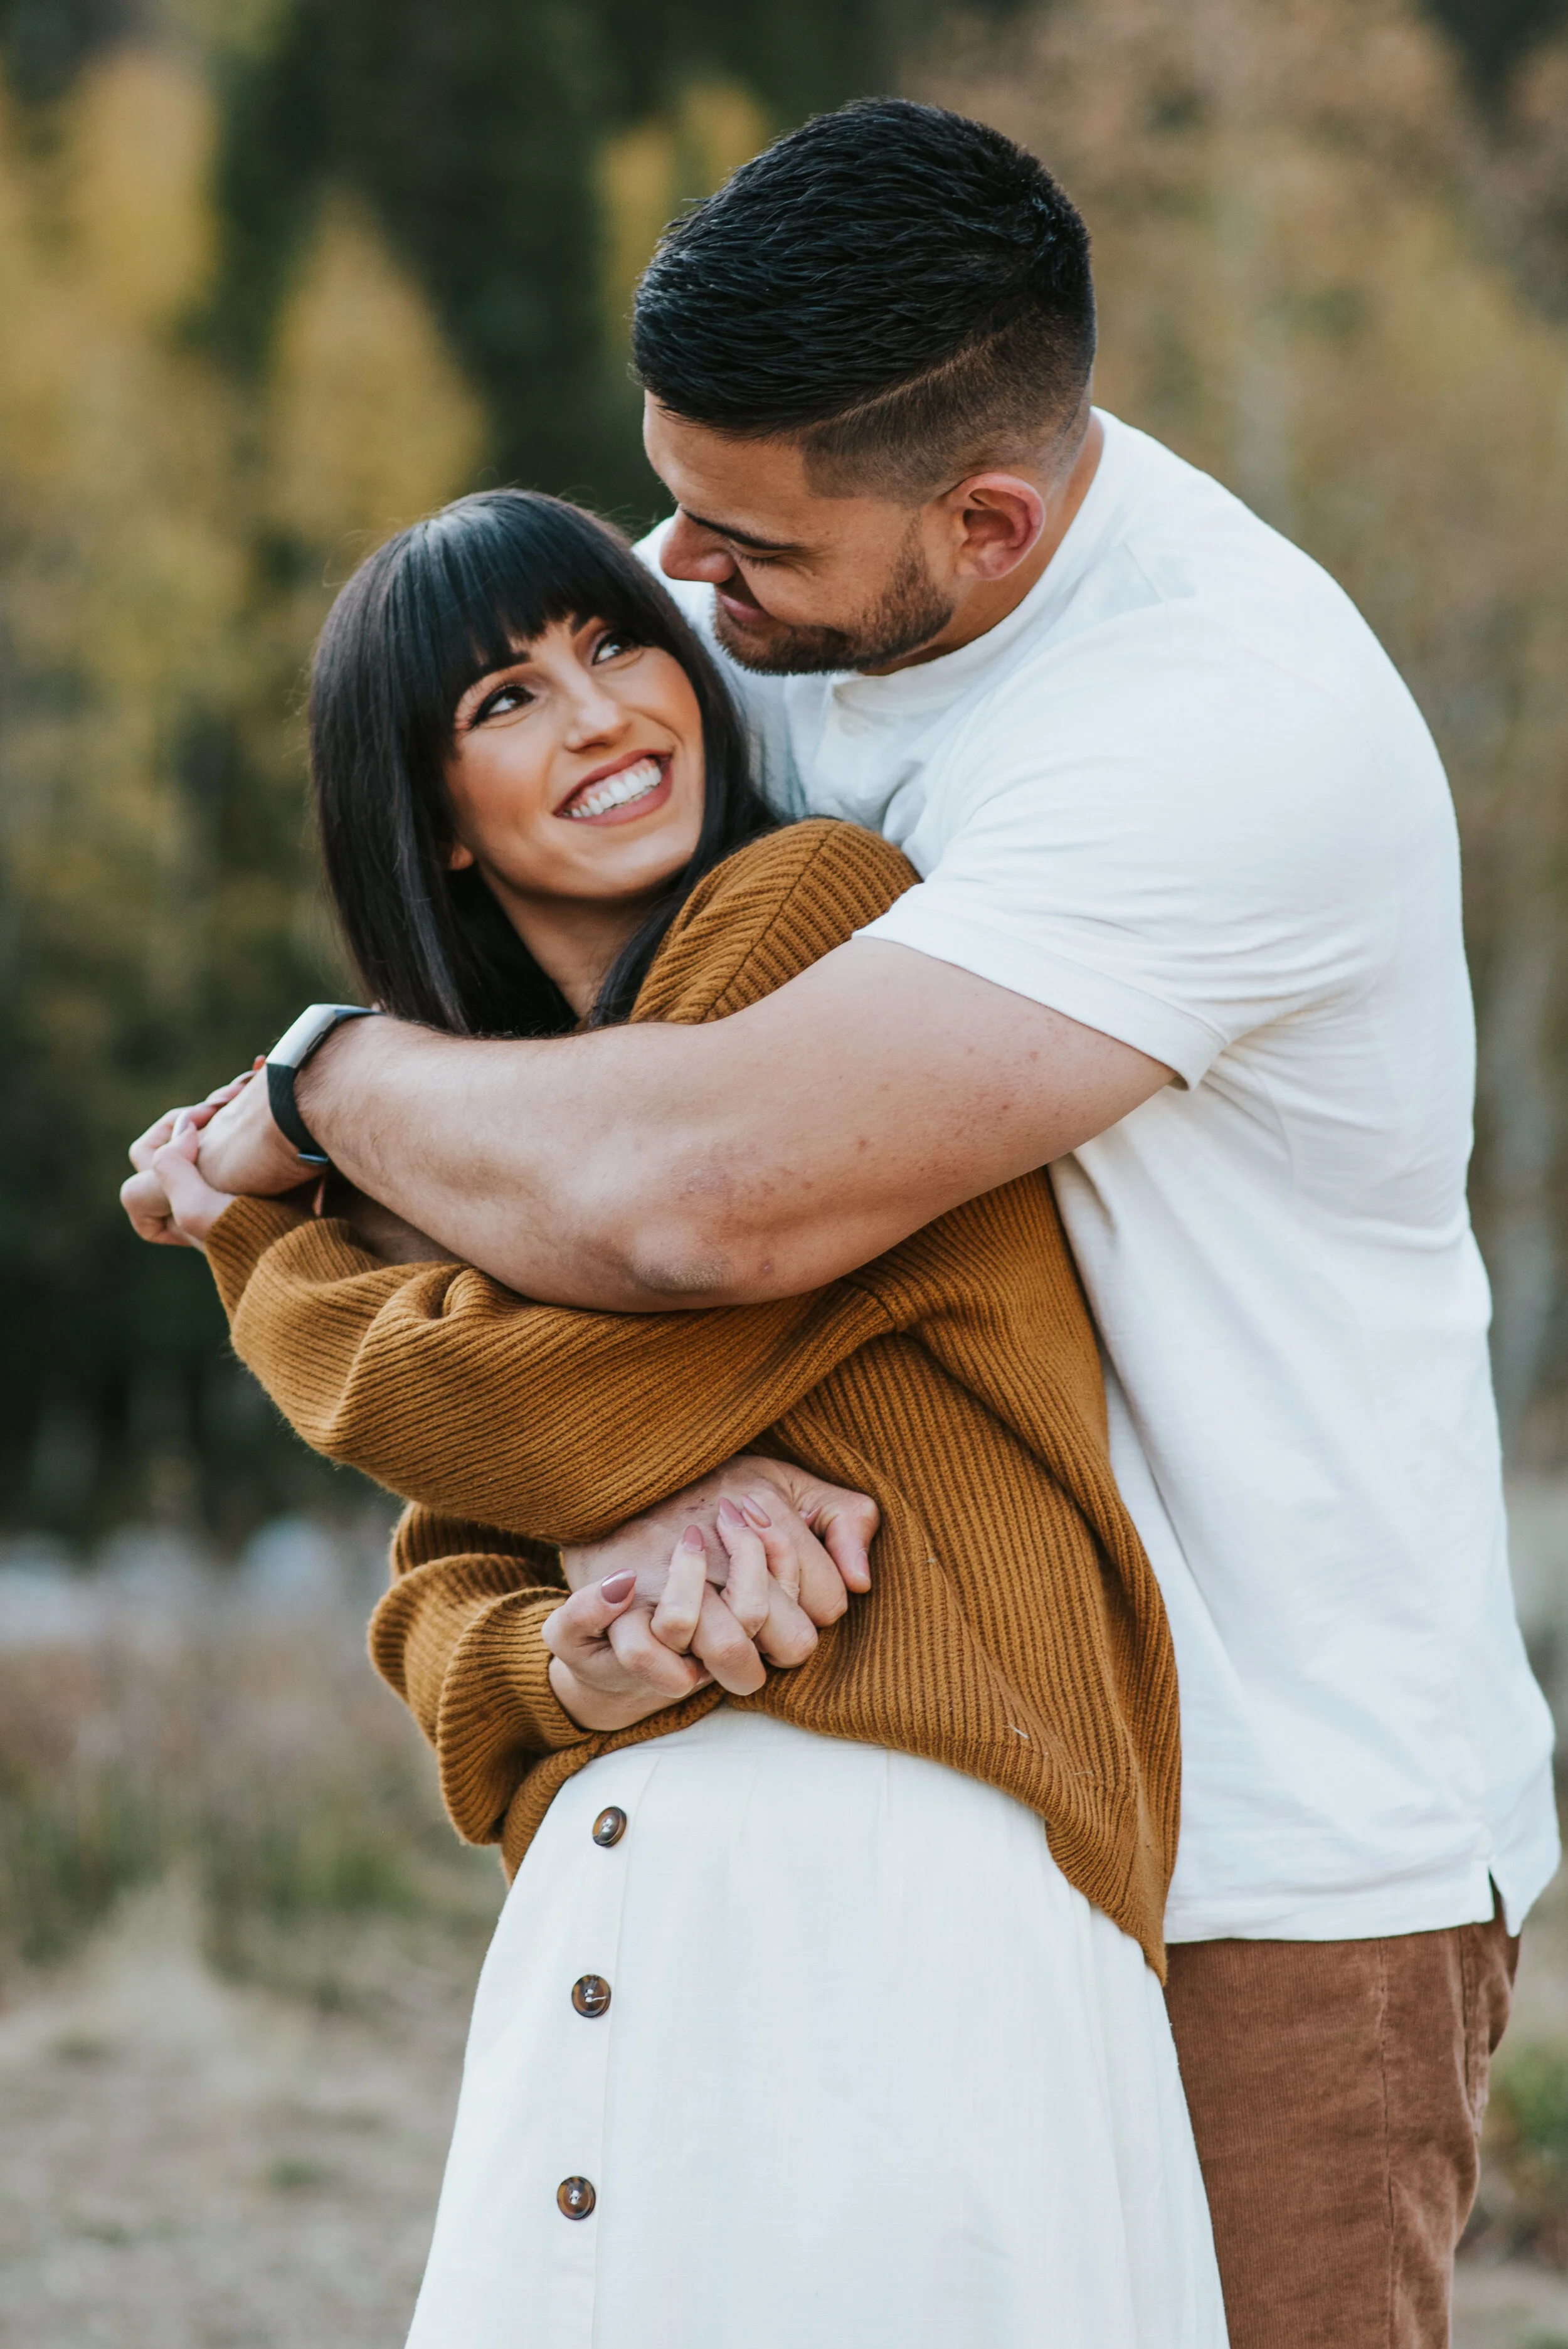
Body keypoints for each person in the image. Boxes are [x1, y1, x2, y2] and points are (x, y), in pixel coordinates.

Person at [124, 98, 1556, 2348]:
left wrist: (316, 1093)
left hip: (1266, 1848)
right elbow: (540, 1128)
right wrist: (607, 1515)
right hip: (882, 1824)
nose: (674, 588)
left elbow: (701, 1200)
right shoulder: (786, 635)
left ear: (987, 522)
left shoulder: (1209, 731)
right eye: (665, 508)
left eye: (729, 540)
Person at [147, 485, 1226, 2348]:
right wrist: (578, 1663)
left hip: (904, 1891)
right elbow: (438, 1614)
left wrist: (264, 1201)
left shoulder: (808, 930)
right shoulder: (482, 1143)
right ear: (435, 825)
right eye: (502, 701)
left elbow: (543, 1412)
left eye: (615, 642)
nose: (596, 712)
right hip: (614, 1917)